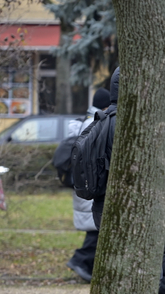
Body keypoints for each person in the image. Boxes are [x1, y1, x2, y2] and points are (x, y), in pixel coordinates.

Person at [88, 68, 165, 294]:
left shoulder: (104, 119)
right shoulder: (128, 123)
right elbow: (137, 173)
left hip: (110, 210)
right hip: (132, 215)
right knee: (139, 282)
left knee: (127, 280)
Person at [66, 88, 110, 283]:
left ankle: (88, 267)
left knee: (96, 229)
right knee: (95, 229)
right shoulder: (94, 122)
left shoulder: (84, 121)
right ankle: (80, 260)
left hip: (82, 183)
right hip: (90, 183)